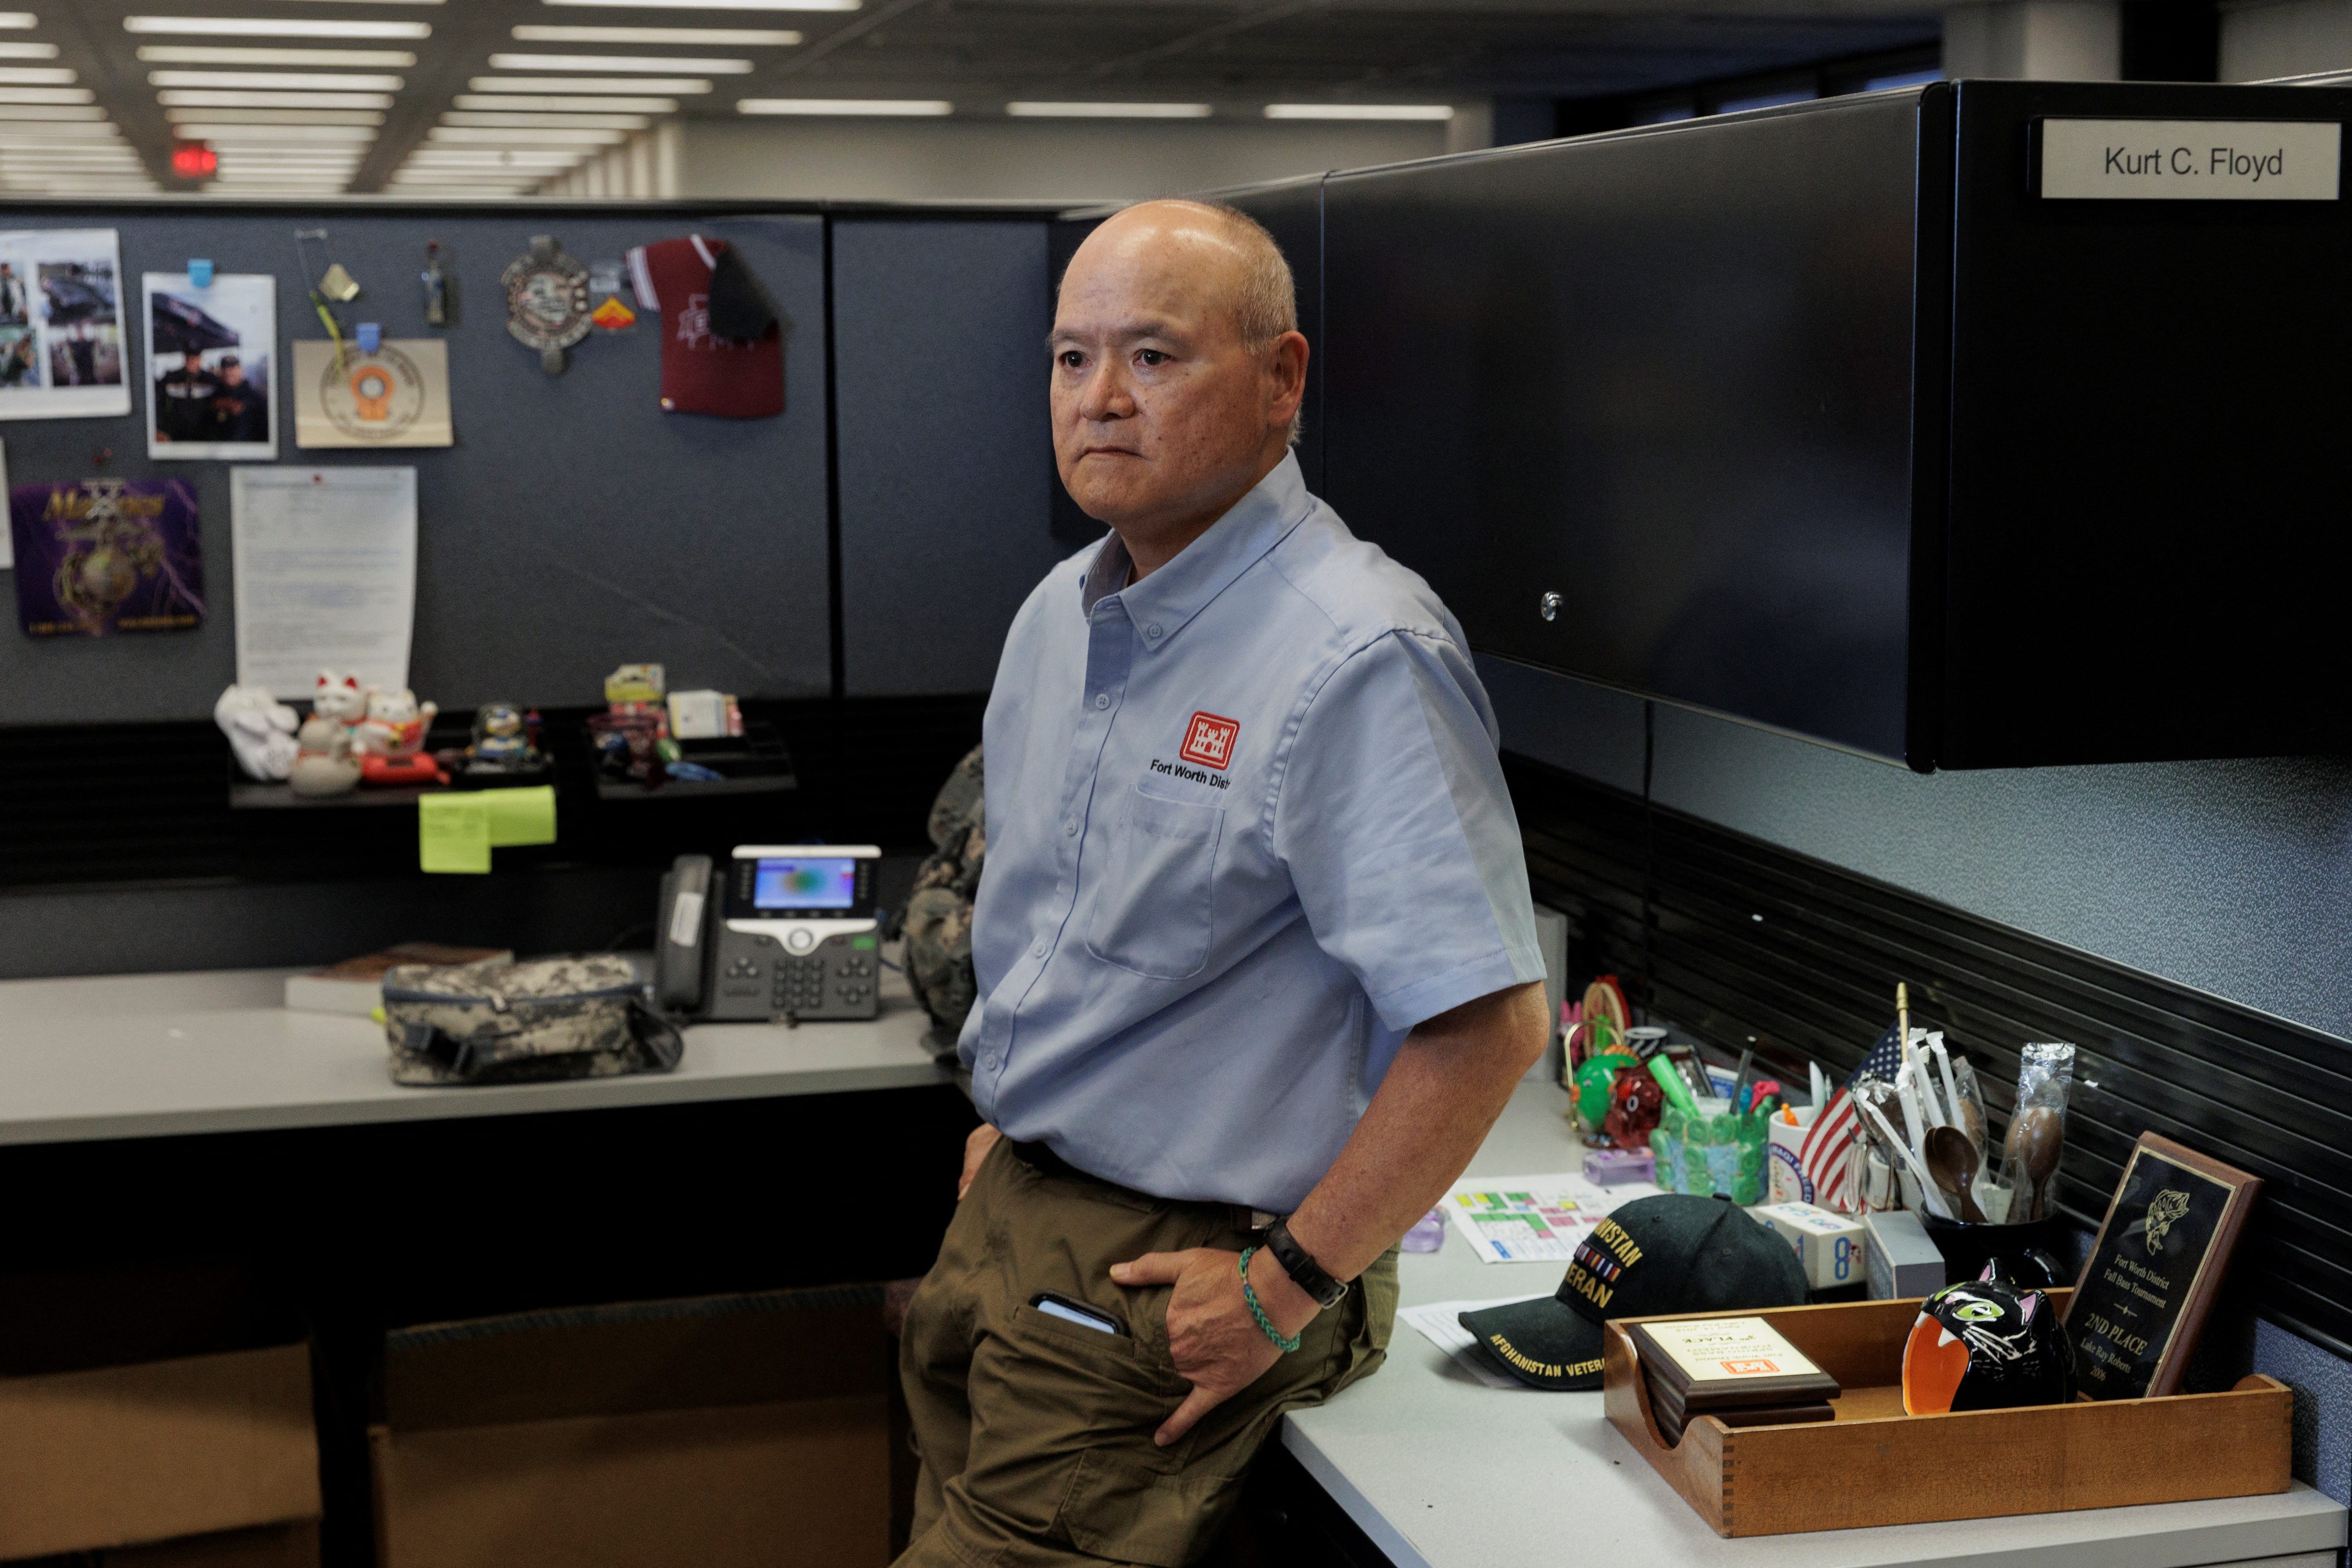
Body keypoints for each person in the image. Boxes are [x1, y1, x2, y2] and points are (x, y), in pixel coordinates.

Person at [895, 199, 1550, 1568]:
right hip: (1008, 1226)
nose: (1102, 401)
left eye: (1154, 356)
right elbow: (1045, 931)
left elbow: (1485, 1024)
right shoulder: (1058, 617)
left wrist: (1289, 1283)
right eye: (1071, 360)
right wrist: (1015, 1124)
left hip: (1175, 1276)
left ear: (1281, 379)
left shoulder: (1353, 655)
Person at [209, 355, 269, 444]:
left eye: (232, 368)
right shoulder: (213, 396)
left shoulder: (256, 397)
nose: (228, 372)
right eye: (225, 368)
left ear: (241, 371)